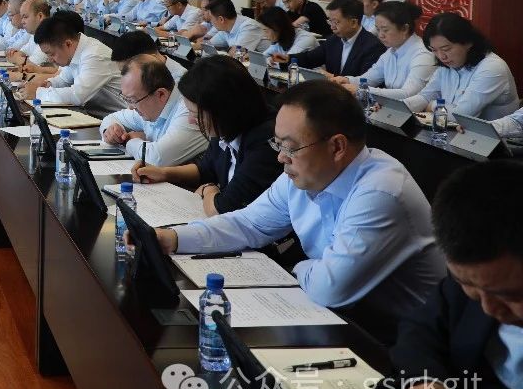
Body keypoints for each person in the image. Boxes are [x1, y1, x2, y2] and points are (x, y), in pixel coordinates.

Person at [150, 82, 445, 330]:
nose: (281, 157)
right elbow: (247, 224)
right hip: (342, 316)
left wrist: (298, 267)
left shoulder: (381, 192)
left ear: (337, 147)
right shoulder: (304, 174)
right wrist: (173, 237)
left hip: (401, 338)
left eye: (290, 147)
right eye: (277, 144)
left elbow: (329, 288)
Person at [384, 161, 523, 389]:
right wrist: (425, 383)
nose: (488, 308)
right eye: (467, 284)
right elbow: (421, 328)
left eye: (508, 295)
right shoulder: (477, 280)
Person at [130, 55, 280, 216]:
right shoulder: (226, 127)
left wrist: (208, 189)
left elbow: (221, 209)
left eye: (195, 114)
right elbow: (205, 169)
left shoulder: (266, 143)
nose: (191, 120)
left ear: (222, 109)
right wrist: (164, 173)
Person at [404, 12, 520, 120]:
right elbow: (425, 96)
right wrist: (402, 107)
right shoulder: (447, 65)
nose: (441, 56)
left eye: (446, 49)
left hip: (490, 135)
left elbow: (460, 115)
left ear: (468, 42)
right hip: (453, 131)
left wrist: (432, 105)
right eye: (434, 50)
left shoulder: (492, 68)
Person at [99, 56, 208, 166]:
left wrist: (128, 141)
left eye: (133, 100)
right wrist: (110, 131)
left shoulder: (190, 111)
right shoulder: (148, 104)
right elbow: (111, 118)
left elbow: (156, 160)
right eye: (126, 99)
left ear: (161, 94)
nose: (131, 107)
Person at [333, 1, 436, 100]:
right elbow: (369, 79)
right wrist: (346, 80)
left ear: (404, 29)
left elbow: (408, 94)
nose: (380, 35)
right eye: (378, 29)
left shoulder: (423, 55)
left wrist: (363, 90)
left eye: (385, 30)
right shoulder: (390, 52)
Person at [21, 15, 122, 115]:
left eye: (51, 54)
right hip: (95, 114)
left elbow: (77, 96)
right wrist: (47, 84)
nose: (50, 59)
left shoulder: (95, 55)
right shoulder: (74, 51)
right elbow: (63, 80)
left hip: (116, 121)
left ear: (68, 44)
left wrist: (38, 93)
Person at [294, 0, 385, 77]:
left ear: (353, 23)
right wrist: (287, 59)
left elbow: (365, 81)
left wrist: (332, 77)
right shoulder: (333, 40)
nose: (332, 27)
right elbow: (309, 59)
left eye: (336, 22)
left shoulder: (373, 46)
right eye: (330, 21)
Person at [108, 30, 186, 81]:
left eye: (127, 72)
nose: (125, 77)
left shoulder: (180, 81)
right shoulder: (145, 73)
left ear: (151, 58)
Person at [7, 0, 56, 75]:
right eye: (21, 17)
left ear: (40, 16)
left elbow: (31, 67)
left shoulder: (50, 36)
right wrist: (19, 58)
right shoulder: (34, 35)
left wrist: (16, 59)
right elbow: (21, 52)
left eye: (25, 17)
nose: (22, 22)